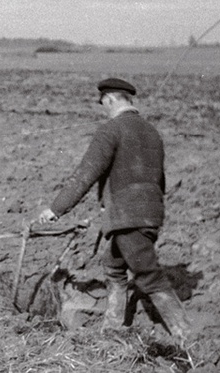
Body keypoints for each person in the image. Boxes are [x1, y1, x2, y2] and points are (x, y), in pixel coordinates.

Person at [38, 78, 191, 341]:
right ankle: (112, 330)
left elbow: (85, 174)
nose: (104, 108)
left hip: (126, 217)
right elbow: (159, 179)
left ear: (109, 99)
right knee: (113, 265)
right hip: (149, 213)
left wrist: (56, 209)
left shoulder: (110, 130)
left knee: (149, 276)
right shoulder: (152, 132)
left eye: (104, 104)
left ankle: (188, 338)